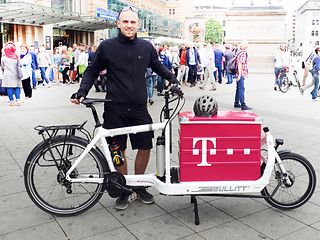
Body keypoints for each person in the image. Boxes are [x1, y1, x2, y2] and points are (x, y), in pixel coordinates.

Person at [70, 6, 179, 210]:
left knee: (145, 146)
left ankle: (138, 187)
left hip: (139, 108)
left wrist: (173, 80)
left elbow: (158, 66)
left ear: (138, 25)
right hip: (114, 108)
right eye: (125, 22)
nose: (129, 25)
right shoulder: (107, 47)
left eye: (133, 22)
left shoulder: (146, 47)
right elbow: (92, 70)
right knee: (117, 149)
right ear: (118, 24)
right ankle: (124, 187)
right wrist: (82, 91)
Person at [1, 42, 22, 106]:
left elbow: (2, 66)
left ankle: (11, 101)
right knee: (17, 87)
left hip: (7, 74)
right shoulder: (16, 57)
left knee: (9, 87)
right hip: (16, 74)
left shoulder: (3, 58)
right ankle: (18, 100)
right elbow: (19, 65)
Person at [234, 41, 252, 111]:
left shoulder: (238, 52)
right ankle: (243, 105)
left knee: (238, 88)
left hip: (238, 72)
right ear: (245, 46)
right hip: (240, 73)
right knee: (241, 88)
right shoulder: (243, 53)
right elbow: (240, 64)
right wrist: (240, 74)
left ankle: (236, 102)